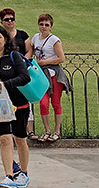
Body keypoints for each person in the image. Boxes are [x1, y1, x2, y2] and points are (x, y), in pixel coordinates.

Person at [0, 25, 32, 188]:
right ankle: (8, 175)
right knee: (4, 139)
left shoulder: (15, 56)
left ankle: (24, 173)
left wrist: (6, 84)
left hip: (19, 104)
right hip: (0, 107)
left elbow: (25, 77)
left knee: (20, 139)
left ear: (5, 40)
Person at [31, 14, 70, 143]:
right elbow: (31, 52)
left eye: (47, 25)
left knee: (56, 103)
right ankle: (47, 130)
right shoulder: (36, 38)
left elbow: (61, 58)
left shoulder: (55, 40)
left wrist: (45, 62)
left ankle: (57, 131)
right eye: (41, 24)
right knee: (43, 103)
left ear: (51, 26)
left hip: (54, 74)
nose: (44, 27)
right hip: (41, 75)